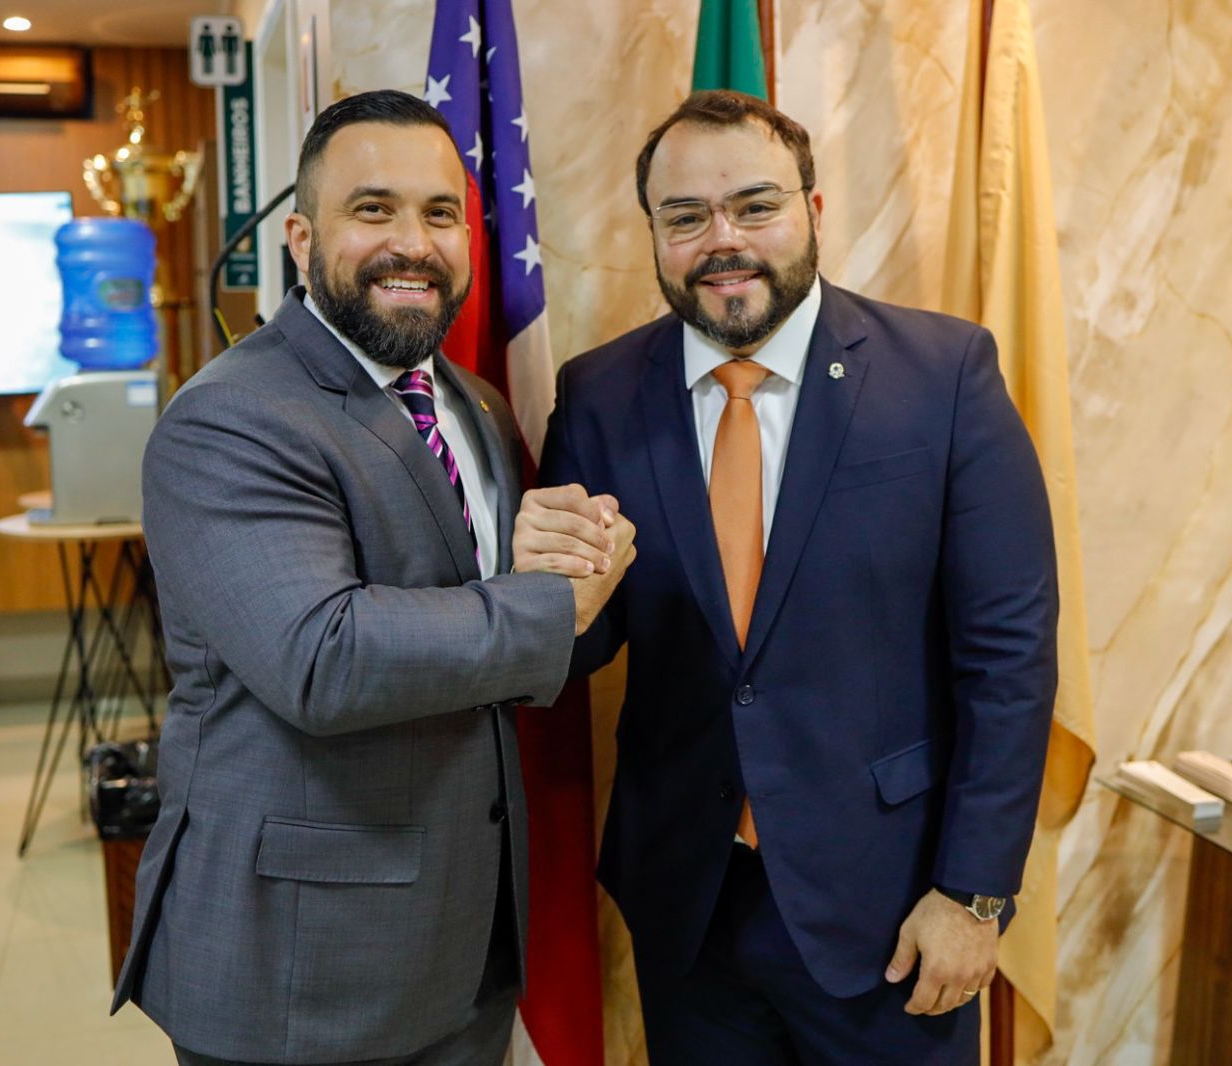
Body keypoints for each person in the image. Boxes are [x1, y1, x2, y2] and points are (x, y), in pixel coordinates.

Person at [529, 90, 1059, 1064]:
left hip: (894, 909)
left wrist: (973, 894)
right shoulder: (599, 395)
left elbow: (1008, 657)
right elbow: (579, 646)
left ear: (812, 212)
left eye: (754, 205)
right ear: (651, 232)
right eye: (686, 216)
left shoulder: (942, 376)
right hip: (688, 908)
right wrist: (536, 585)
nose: (722, 239)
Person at [110, 89, 635, 1066]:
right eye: (373, 209)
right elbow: (323, 656)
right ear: (303, 239)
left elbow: (468, 608)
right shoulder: (230, 418)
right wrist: (550, 604)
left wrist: (560, 552)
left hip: (465, 940)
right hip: (304, 970)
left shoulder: (470, 402)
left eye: (440, 213)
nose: (414, 241)